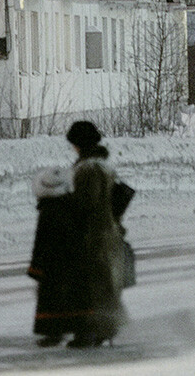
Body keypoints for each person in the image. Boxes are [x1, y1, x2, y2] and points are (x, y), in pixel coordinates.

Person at [61, 120, 128, 348]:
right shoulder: (103, 165)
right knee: (104, 283)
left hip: (93, 234)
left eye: (74, 144)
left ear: (80, 143)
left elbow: (87, 204)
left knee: (89, 285)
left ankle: (89, 331)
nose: (73, 148)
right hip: (107, 230)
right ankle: (104, 329)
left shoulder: (89, 169)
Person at [27, 165, 79, 346]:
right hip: (71, 263)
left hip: (52, 266)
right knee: (71, 297)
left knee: (50, 299)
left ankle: (53, 332)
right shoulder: (70, 206)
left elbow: (41, 243)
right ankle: (75, 329)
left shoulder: (47, 211)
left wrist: (35, 267)